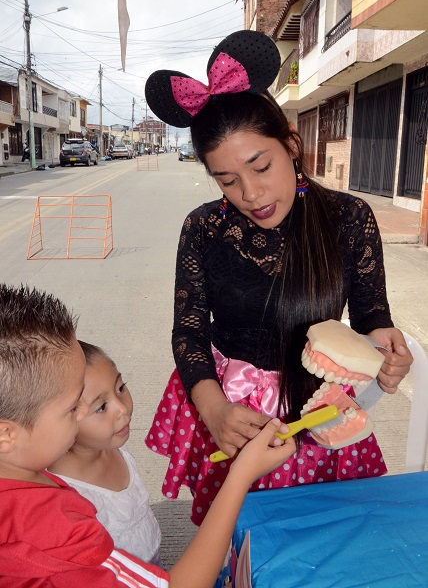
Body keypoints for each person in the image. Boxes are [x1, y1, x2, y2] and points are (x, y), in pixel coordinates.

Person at [143, 29, 414, 526]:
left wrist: (386, 355)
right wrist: (213, 409)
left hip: (318, 407)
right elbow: (189, 331)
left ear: (290, 144)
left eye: (260, 166)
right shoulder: (204, 227)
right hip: (232, 409)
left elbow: (373, 317)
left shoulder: (348, 217)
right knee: (236, 535)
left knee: (318, 531)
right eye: (227, 179)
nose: (249, 193)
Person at [0, 283, 295, 588]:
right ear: (6, 435)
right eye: (74, 407)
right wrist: (241, 475)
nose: (81, 416)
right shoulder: (58, 533)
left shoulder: (27, 484)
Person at [49, 340, 162, 566]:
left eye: (120, 387)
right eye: (101, 407)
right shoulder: (67, 496)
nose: (122, 408)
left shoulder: (114, 444)